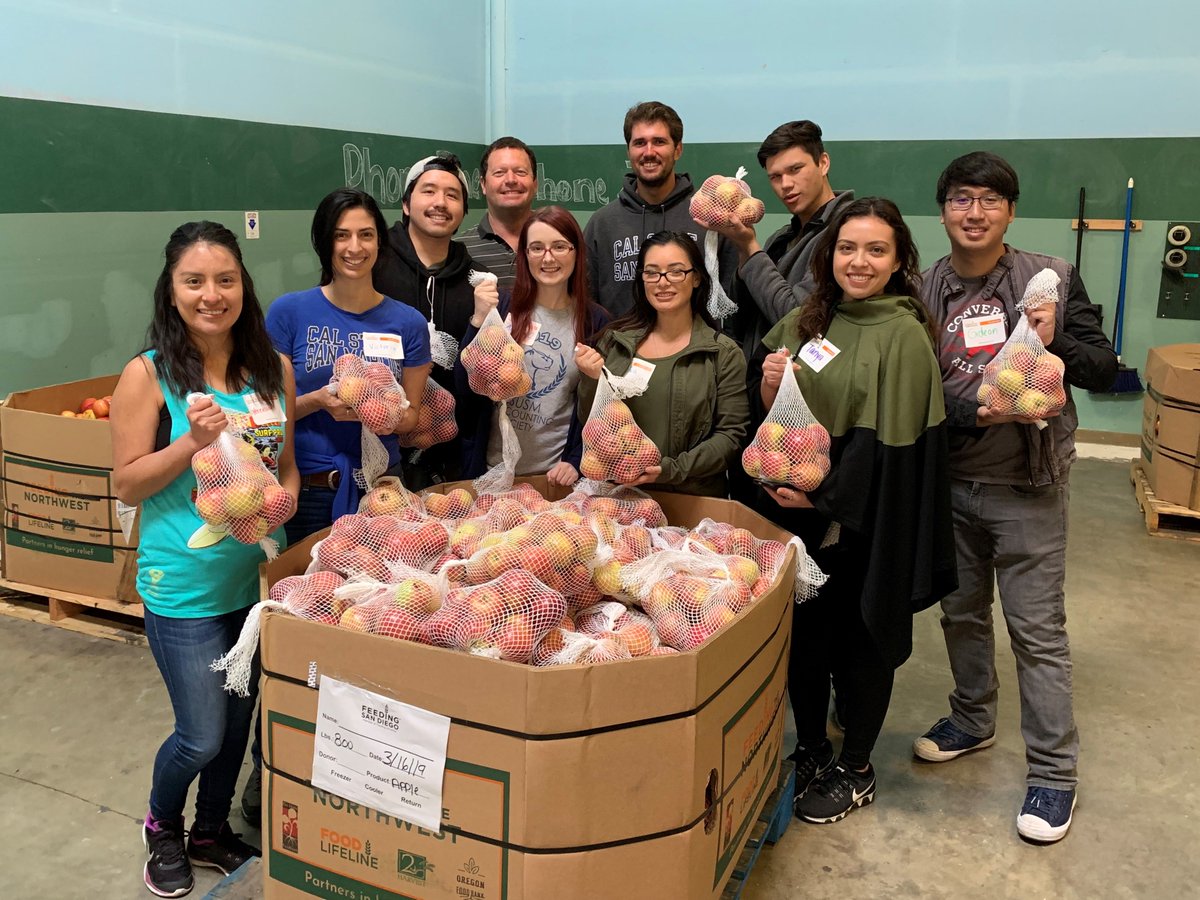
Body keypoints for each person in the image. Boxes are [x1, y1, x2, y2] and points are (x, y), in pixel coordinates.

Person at [913, 152, 1117, 843]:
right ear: (943, 210)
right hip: (950, 484)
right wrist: (976, 411)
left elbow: (1102, 365)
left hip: (1028, 488)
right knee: (962, 613)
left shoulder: (1048, 277)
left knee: (1037, 633)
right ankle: (972, 719)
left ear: (1010, 210)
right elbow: (915, 390)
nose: (975, 212)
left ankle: (1054, 776)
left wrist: (1057, 340)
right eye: (961, 199)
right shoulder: (922, 287)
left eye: (990, 200)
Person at [746, 198, 957, 825]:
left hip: (867, 518)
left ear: (898, 261)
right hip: (796, 513)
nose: (858, 262)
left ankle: (858, 766)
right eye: (846, 248)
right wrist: (768, 381)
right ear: (827, 254)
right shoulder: (809, 319)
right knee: (804, 640)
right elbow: (772, 409)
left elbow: (896, 450)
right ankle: (811, 747)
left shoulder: (905, 334)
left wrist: (827, 496)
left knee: (863, 640)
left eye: (875, 250)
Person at [111, 221, 299, 897]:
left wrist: (277, 510)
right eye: (194, 281)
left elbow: (288, 469)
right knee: (201, 734)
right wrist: (189, 443)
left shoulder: (271, 369)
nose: (211, 295)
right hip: (181, 584)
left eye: (225, 280)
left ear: (243, 285)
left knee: (240, 723)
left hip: (248, 583)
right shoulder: (147, 374)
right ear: (171, 288)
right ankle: (163, 823)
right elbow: (127, 482)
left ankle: (210, 830)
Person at [266, 188, 432, 536]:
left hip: (382, 489)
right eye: (341, 235)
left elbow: (412, 417)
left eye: (366, 235)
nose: (354, 248)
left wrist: (386, 416)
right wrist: (316, 402)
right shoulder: (289, 313)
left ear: (380, 243)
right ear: (325, 242)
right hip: (308, 490)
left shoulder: (409, 323)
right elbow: (268, 416)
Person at [576, 231, 748, 497]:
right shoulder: (615, 343)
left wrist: (670, 469)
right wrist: (591, 379)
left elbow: (731, 437)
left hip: (692, 501)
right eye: (652, 272)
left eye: (676, 272)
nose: (662, 282)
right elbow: (594, 424)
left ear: (696, 278)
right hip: (620, 500)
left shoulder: (723, 354)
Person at [458, 206, 608, 485]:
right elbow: (466, 389)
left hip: (553, 478)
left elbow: (599, 408)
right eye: (536, 248)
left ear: (577, 252)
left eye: (560, 247)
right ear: (525, 255)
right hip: (492, 471)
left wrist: (575, 459)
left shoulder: (594, 321)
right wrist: (478, 320)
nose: (548, 257)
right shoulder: (502, 307)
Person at [374, 152, 487, 486]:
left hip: (451, 451)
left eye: (452, 195)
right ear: (407, 204)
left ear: (464, 211)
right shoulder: (372, 266)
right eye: (429, 191)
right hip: (379, 447)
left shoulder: (478, 281)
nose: (441, 202)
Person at [714, 120, 855, 363]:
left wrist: (750, 247)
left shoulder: (848, 231)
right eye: (775, 177)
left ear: (823, 163)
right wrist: (742, 249)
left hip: (806, 386)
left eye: (795, 169)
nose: (785, 185)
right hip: (763, 384)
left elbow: (797, 320)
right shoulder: (780, 238)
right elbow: (739, 319)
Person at [583, 100, 737, 318]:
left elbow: (731, 301)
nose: (649, 152)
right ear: (629, 151)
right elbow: (587, 305)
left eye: (659, 142)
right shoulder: (602, 224)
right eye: (639, 143)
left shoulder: (708, 218)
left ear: (678, 149)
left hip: (697, 350)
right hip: (619, 350)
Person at [458, 136, 539, 289]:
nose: (510, 180)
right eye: (499, 172)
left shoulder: (560, 244)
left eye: (520, 172)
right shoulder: (460, 251)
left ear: (535, 184)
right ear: (483, 184)